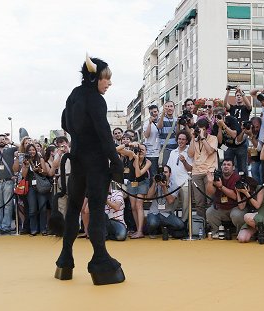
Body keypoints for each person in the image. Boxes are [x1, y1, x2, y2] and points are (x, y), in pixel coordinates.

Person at [51, 54, 125, 285]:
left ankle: (65, 260)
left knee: (73, 209)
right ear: (95, 79)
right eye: (106, 79)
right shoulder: (96, 99)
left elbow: (64, 122)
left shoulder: (74, 94)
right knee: (95, 209)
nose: (109, 83)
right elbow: (104, 133)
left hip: (77, 159)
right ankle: (100, 260)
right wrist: (116, 161)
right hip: (95, 162)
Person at [117, 142, 151, 239]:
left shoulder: (148, 162)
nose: (140, 152)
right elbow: (116, 150)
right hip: (131, 183)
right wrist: (128, 144)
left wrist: (136, 161)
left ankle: (140, 231)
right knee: (133, 206)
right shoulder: (132, 154)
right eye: (139, 149)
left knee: (138, 205)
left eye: (142, 150)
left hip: (143, 183)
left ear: (146, 152)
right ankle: (137, 229)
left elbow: (138, 174)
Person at [205, 159, 246, 238]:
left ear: (233, 168)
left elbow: (235, 196)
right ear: (221, 167)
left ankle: (240, 233)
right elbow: (210, 193)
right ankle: (216, 232)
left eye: (228, 165)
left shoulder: (237, 177)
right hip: (221, 207)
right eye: (224, 164)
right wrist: (210, 182)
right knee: (209, 212)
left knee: (237, 215)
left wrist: (221, 187)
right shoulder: (217, 176)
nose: (226, 166)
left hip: (235, 207)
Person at [187, 118, 218, 218]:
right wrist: (192, 138)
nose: (201, 131)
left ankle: (211, 224)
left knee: (210, 200)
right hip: (196, 172)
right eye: (199, 129)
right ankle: (201, 225)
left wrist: (203, 138)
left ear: (207, 130)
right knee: (199, 202)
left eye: (203, 129)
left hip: (209, 171)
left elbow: (210, 151)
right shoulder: (195, 140)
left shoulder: (213, 138)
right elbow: (190, 154)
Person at [0, 134, 18, 235]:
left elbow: (22, 148)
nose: (2, 141)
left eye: (3, 139)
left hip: (8, 181)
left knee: (8, 205)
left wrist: (10, 142)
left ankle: (6, 226)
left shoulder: (10, 150)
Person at [145, 165, 184, 238]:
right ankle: (153, 232)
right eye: (162, 172)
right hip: (154, 212)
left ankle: (165, 228)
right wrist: (154, 183)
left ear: (170, 174)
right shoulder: (156, 182)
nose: (163, 174)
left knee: (180, 225)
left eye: (165, 172)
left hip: (167, 214)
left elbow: (170, 201)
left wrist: (164, 187)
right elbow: (148, 197)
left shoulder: (174, 185)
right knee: (152, 223)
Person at [166, 130, 193, 222]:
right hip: (173, 184)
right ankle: (171, 223)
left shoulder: (190, 152)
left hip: (185, 183)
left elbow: (191, 169)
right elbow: (168, 168)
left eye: (183, 139)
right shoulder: (173, 152)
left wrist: (184, 161)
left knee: (186, 206)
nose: (181, 141)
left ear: (187, 141)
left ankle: (184, 224)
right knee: (170, 206)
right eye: (179, 139)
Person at [236, 177, 264, 243]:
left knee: (247, 217)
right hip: (254, 219)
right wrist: (238, 192)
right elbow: (241, 207)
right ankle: (259, 231)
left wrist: (247, 193)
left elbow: (257, 205)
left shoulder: (260, 188)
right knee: (242, 238)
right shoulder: (247, 192)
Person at [212, 106, 247, 174]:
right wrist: (219, 127)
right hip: (227, 146)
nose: (217, 118)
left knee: (242, 167)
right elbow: (219, 141)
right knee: (228, 165)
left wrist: (223, 125)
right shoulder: (216, 125)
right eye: (215, 116)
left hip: (239, 144)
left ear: (224, 116)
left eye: (218, 116)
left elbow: (234, 135)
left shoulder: (232, 119)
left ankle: (243, 182)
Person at [143, 104, 161, 180]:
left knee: (161, 174)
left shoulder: (161, 121)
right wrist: (150, 123)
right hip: (152, 153)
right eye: (152, 112)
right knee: (153, 176)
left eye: (155, 111)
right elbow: (146, 135)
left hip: (161, 152)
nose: (154, 113)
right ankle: (153, 191)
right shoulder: (146, 123)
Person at [157, 101, 178, 165]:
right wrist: (163, 113)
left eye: (171, 106)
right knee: (166, 169)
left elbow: (177, 133)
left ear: (174, 108)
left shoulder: (176, 119)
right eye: (167, 106)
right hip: (166, 149)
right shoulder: (161, 119)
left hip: (175, 149)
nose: (169, 108)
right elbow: (159, 127)